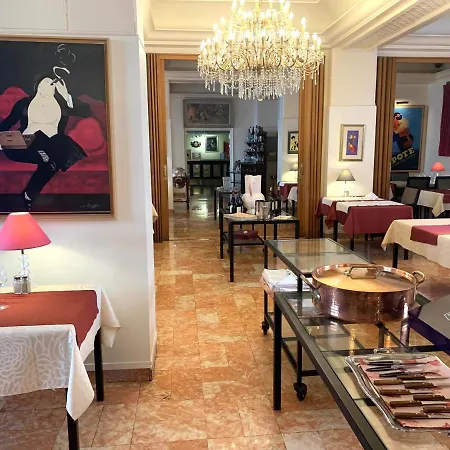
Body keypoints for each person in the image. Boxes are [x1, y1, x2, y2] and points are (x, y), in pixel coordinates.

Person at [0, 72, 91, 209]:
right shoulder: (24, 103)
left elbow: (86, 111)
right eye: (47, 82)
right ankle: (30, 190)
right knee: (43, 148)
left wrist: (65, 95)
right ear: (38, 85)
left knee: (50, 158)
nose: (50, 85)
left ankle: (29, 194)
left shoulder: (62, 103)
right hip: (27, 142)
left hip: (53, 143)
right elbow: (8, 122)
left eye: (53, 85)